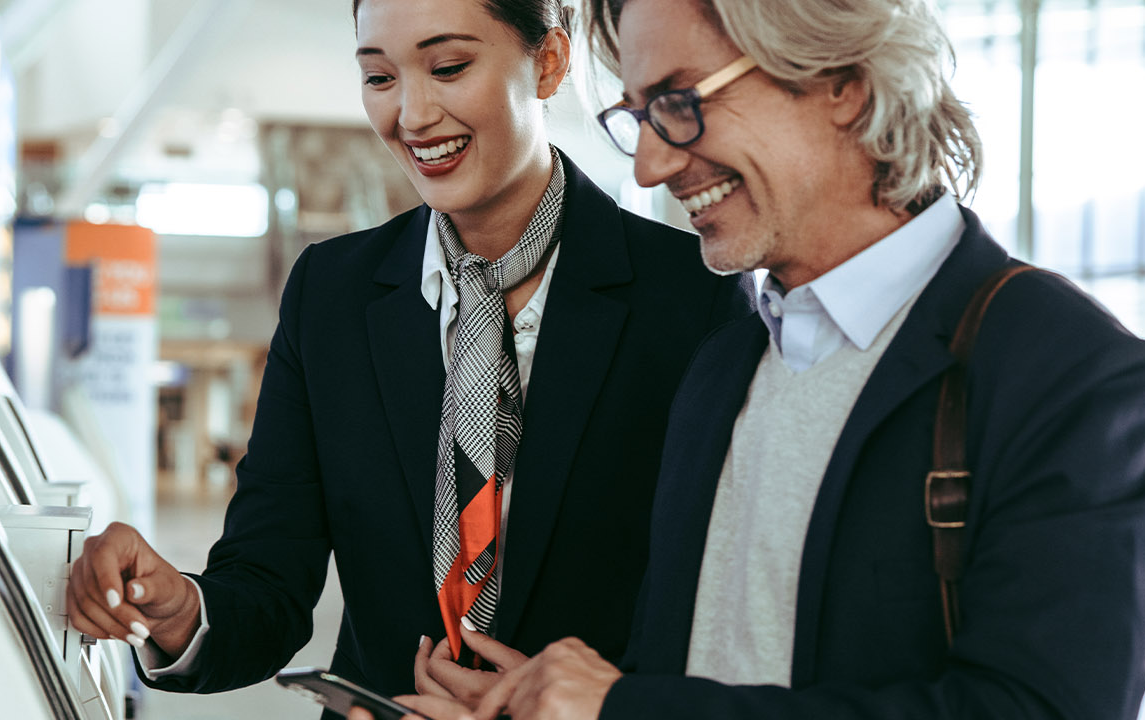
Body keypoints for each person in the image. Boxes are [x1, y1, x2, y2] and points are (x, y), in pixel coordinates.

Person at [390, 0, 1145, 718]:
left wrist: (626, 711)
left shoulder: (1068, 371)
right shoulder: (726, 361)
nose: (651, 167)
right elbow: (698, 671)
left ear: (841, 80)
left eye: (680, 104)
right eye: (639, 117)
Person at [61, 0, 745, 703]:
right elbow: (268, 580)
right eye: (380, 78)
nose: (412, 116)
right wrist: (181, 612)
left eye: (448, 67)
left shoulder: (694, 300)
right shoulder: (330, 296)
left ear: (548, 63)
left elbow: (723, 612)